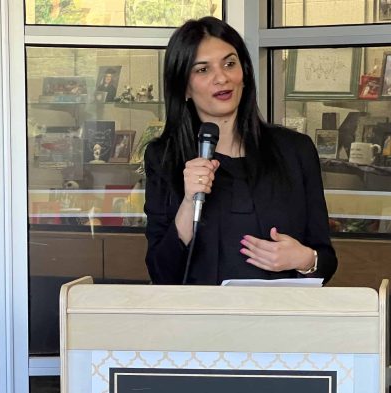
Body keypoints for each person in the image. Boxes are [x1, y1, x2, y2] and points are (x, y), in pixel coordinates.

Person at [144, 17, 337, 285]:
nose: (221, 78)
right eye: (202, 70)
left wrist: (304, 260)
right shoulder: (164, 157)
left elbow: (326, 259)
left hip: (282, 319)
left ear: (244, 73)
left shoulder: (296, 150)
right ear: (185, 86)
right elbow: (161, 273)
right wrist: (189, 202)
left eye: (229, 64)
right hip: (202, 320)